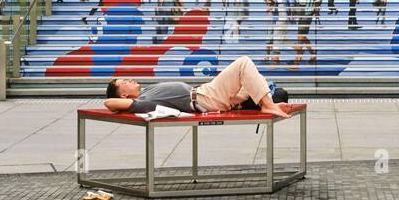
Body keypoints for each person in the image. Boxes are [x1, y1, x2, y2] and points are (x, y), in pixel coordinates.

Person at [103, 55, 289, 117]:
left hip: (204, 93)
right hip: (206, 98)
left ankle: (268, 101)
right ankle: (269, 106)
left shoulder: (146, 92)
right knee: (244, 63)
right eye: (124, 83)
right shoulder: (141, 102)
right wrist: (122, 99)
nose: (129, 80)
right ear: (124, 96)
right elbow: (109, 103)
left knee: (255, 78)